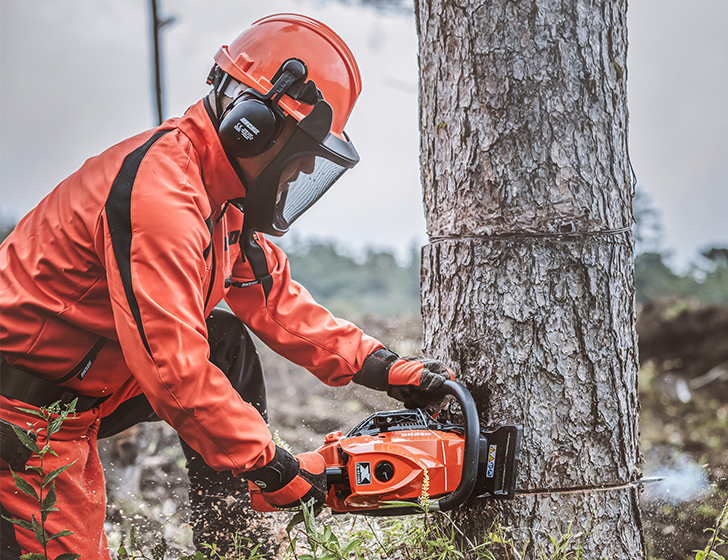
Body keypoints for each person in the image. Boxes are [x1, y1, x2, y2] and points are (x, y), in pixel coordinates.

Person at [0, 13, 454, 558]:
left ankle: (233, 541)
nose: (305, 164)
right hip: (25, 414)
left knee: (226, 343)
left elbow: (279, 304)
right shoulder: (162, 198)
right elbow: (172, 370)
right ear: (252, 122)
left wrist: (388, 369)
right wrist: (274, 465)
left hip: (94, 383)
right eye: (304, 144)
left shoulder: (221, 203)